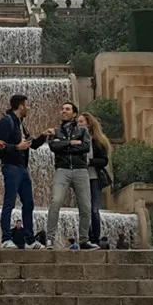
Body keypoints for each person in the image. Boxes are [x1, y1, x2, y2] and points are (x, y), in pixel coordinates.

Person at [0, 94, 50, 249]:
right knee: (9, 203)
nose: (29, 108)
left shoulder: (21, 124)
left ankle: (29, 240)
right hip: (11, 167)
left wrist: (44, 135)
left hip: (23, 168)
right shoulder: (6, 122)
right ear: (21, 106)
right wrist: (17, 147)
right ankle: (6, 238)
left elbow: (32, 145)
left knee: (29, 203)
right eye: (27, 105)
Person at [45, 102, 97, 250]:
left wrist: (64, 145)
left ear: (74, 114)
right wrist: (71, 143)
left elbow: (85, 147)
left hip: (81, 170)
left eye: (67, 109)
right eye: (62, 109)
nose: (63, 111)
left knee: (85, 206)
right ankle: (49, 239)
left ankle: (84, 240)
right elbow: (53, 147)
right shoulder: (55, 131)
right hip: (62, 170)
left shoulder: (82, 130)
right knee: (56, 202)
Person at [79, 111, 112, 247]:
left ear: (88, 124)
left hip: (94, 178)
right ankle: (86, 238)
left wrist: (90, 162)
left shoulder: (97, 140)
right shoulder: (76, 139)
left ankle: (95, 239)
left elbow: (104, 161)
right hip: (80, 178)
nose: (78, 124)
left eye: (81, 122)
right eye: (78, 122)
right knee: (84, 210)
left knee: (94, 210)